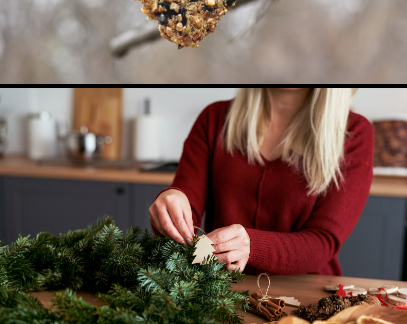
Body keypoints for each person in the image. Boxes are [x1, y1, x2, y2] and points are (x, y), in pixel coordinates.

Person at [149, 88, 373, 275]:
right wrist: (174, 199)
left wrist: (252, 246)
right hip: (221, 292)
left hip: (309, 297)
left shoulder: (354, 133)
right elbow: (187, 197)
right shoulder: (213, 118)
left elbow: (323, 241)